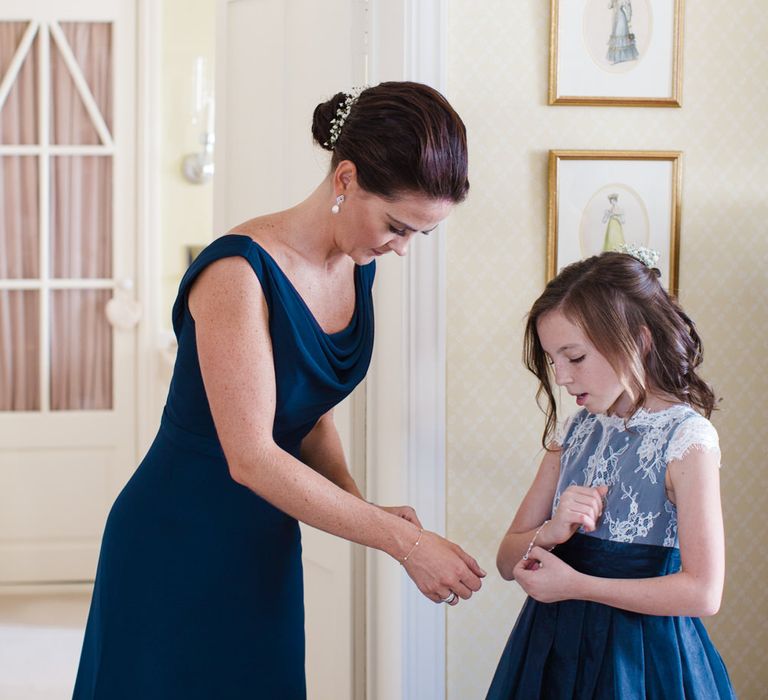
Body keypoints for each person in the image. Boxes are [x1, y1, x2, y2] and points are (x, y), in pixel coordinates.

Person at [73, 81, 485, 699]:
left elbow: (306, 413)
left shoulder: (356, 265)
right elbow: (253, 457)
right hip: (176, 539)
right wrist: (407, 542)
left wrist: (360, 503)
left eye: (417, 236)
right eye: (398, 226)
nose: (400, 248)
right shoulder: (236, 274)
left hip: (263, 541)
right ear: (345, 177)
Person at [486, 249, 735, 699]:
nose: (560, 376)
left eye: (575, 357)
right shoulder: (575, 431)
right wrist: (550, 530)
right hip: (552, 656)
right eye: (552, 359)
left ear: (637, 342)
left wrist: (576, 586)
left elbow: (703, 592)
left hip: (641, 662)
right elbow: (506, 560)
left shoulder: (687, 439)